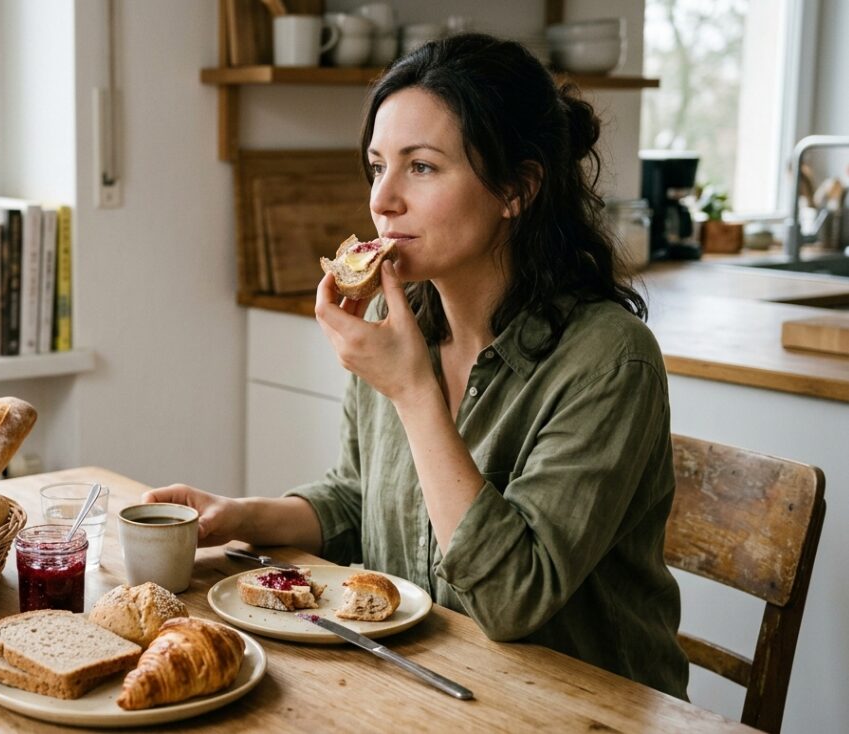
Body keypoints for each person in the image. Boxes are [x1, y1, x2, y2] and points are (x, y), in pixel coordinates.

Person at [146, 33, 689, 698]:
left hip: (574, 706)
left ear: (516, 188)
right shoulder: (399, 326)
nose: (383, 199)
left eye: (422, 167)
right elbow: (359, 497)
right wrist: (240, 516)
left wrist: (410, 391)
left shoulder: (608, 359)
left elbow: (513, 600)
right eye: (377, 166)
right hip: (427, 686)